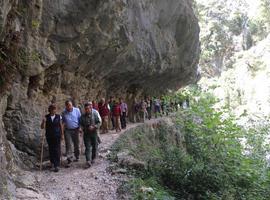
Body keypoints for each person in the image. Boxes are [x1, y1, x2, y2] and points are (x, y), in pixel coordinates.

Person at [41, 104, 63, 172]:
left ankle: (57, 165)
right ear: (50, 110)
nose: (54, 111)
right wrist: (43, 121)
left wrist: (62, 135)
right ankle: (52, 163)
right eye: (53, 109)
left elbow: (61, 126)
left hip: (57, 135)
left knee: (57, 149)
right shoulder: (46, 117)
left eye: (55, 109)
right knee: (51, 149)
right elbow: (42, 127)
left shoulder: (59, 117)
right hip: (49, 135)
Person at [80, 102, 102, 168]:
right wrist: (81, 128)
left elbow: (99, 122)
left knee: (95, 146)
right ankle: (88, 161)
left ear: (91, 108)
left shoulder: (95, 114)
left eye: (88, 108)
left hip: (94, 133)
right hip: (86, 134)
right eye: (86, 109)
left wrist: (94, 126)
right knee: (87, 147)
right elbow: (80, 124)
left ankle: (93, 158)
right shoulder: (82, 116)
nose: (87, 110)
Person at [62, 100, 81, 167]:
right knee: (68, 144)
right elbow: (63, 123)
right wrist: (62, 133)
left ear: (72, 105)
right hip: (67, 130)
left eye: (70, 105)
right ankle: (69, 159)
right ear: (66, 106)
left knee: (76, 143)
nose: (69, 107)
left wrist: (80, 128)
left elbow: (80, 119)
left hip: (76, 129)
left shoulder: (77, 110)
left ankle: (77, 156)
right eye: (67, 106)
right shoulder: (64, 112)